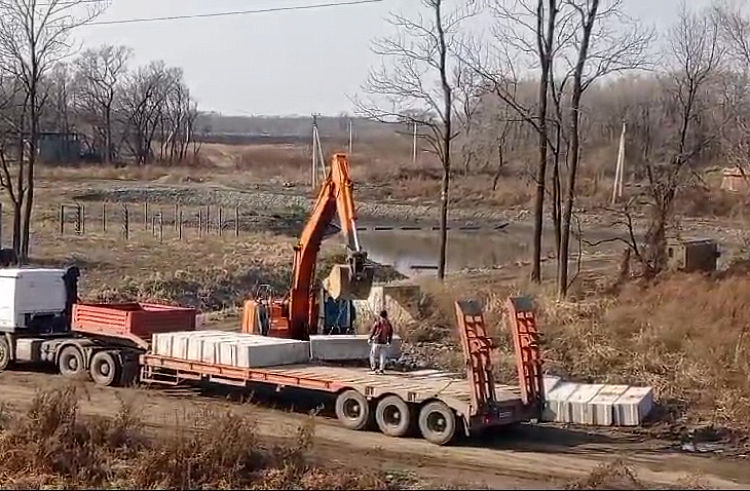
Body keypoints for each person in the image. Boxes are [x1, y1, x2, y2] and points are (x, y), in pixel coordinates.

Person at [368, 310, 393, 374]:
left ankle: (374, 368)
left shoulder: (378, 322)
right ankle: (381, 369)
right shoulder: (388, 324)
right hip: (384, 342)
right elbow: (390, 333)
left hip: (377, 341)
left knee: (373, 355)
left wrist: (370, 338)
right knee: (383, 356)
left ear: (380, 315)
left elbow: (373, 331)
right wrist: (389, 341)